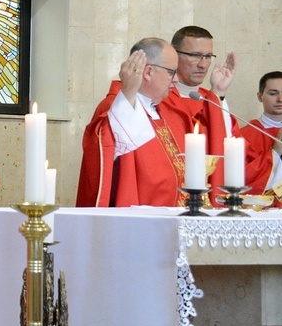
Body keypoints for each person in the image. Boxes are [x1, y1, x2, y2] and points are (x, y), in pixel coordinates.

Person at [77, 37, 193, 207]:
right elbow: (107, 153)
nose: (176, 80)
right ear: (148, 72)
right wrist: (128, 90)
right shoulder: (116, 108)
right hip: (138, 220)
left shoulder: (163, 111)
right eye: (171, 72)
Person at [161, 26, 239, 193]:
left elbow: (230, 149)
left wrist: (218, 92)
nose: (203, 64)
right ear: (174, 54)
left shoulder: (210, 99)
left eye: (208, 56)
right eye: (195, 56)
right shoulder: (159, 99)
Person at [240, 71, 282, 206]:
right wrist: (275, 152)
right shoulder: (245, 135)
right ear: (260, 96)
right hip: (263, 210)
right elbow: (243, 179)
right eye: (273, 93)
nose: (280, 99)